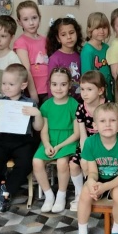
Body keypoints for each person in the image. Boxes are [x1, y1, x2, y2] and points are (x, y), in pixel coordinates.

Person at [0, 64, 44, 212]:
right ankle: (0, 186)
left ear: (23, 85)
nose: (6, 87)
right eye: (4, 83)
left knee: (25, 165)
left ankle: (6, 190)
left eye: (11, 84)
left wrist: (37, 114)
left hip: (23, 142)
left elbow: (38, 128)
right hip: (1, 140)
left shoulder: (30, 103)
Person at [74, 103, 118, 234]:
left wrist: (105, 187)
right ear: (95, 125)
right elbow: (93, 172)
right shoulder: (90, 142)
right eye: (102, 121)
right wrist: (91, 181)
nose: (107, 124)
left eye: (112, 120)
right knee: (85, 193)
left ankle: (116, 232)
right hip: (98, 178)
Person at [33, 67, 80, 213]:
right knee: (36, 162)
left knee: (61, 163)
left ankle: (61, 195)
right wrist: (47, 144)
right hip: (50, 140)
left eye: (63, 84)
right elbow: (44, 131)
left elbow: (76, 134)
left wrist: (59, 147)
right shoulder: (46, 105)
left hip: (67, 141)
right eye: (54, 84)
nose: (58, 88)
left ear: (70, 85)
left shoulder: (73, 104)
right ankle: (48, 195)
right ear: (49, 85)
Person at [72, 70, 107, 210]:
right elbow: (82, 135)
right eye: (82, 89)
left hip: (105, 143)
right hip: (87, 143)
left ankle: (96, 191)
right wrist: (85, 153)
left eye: (89, 89)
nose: (84, 93)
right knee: (75, 164)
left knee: (95, 164)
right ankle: (81, 193)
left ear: (100, 90)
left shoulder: (107, 106)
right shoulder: (81, 108)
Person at [13, 0, 48, 104]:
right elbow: (26, 70)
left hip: (49, 88)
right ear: (19, 22)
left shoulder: (45, 40)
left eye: (34, 18)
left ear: (39, 17)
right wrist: (33, 94)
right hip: (33, 92)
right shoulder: (21, 42)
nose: (31, 23)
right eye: (26, 19)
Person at [46, 16, 83, 99]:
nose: (69, 37)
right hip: (61, 101)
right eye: (63, 34)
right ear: (58, 38)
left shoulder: (80, 55)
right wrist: (52, 101)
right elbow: (50, 82)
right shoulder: (55, 58)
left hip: (79, 100)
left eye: (71, 33)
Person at [80, 12, 113, 102]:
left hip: (108, 90)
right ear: (89, 29)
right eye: (97, 28)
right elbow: (87, 77)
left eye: (104, 27)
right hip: (95, 94)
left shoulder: (106, 48)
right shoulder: (87, 51)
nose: (101, 31)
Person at [0, 15, 21, 99]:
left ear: (11, 37)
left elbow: (18, 80)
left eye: (3, 36)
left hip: (9, 98)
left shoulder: (12, 57)